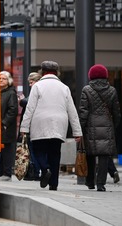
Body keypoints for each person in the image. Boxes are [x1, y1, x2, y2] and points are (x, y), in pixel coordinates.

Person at [19, 60, 82, 191]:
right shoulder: (64, 87)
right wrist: (77, 132)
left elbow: (30, 108)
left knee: (38, 150)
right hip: (59, 123)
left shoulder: (37, 86)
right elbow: (72, 111)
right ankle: (54, 184)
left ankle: (45, 169)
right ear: (57, 73)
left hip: (40, 122)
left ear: (42, 72)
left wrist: (24, 128)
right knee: (55, 153)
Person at [79, 64, 121, 192]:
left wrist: (80, 127)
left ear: (91, 76)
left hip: (90, 126)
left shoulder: (86, 90)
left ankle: (90, 181)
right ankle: (101, 184)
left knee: (90, 154)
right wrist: (114, 125)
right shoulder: (112, 90)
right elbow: (116, 112)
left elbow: (83, 111)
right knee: (104, 155)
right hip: (107, 125)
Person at [20, 71, 42, 180]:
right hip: (34, 126)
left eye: (31, 82)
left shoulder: (36, 91)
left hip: (34, 127)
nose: (30, 85)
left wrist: (21, 100)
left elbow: (26, 103)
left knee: (33, 150)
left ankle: (35, 172)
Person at [0, 70, 18, 181]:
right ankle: (0, 173)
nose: (1, 80)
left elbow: (13, 110)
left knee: (7, 150)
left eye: (3, 78)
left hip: (6, 127)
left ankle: (7, 173)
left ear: (9, 81)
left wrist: (4, 123)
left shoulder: (10, 93)